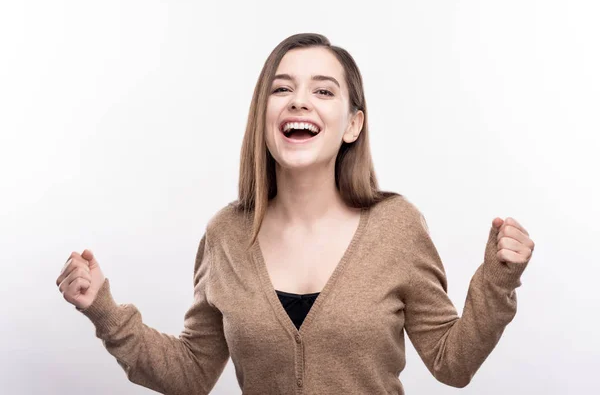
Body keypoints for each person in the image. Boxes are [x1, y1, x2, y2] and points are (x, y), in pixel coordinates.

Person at [55, 33, 535, 395]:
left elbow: (452, 363)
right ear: (264, 116)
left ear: (352, 124)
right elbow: (192, 370)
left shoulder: (396, 225)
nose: (299, 100)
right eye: (281, 88)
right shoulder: (226, 234)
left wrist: (498, 280)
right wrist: (102, 306)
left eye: (323, 91)